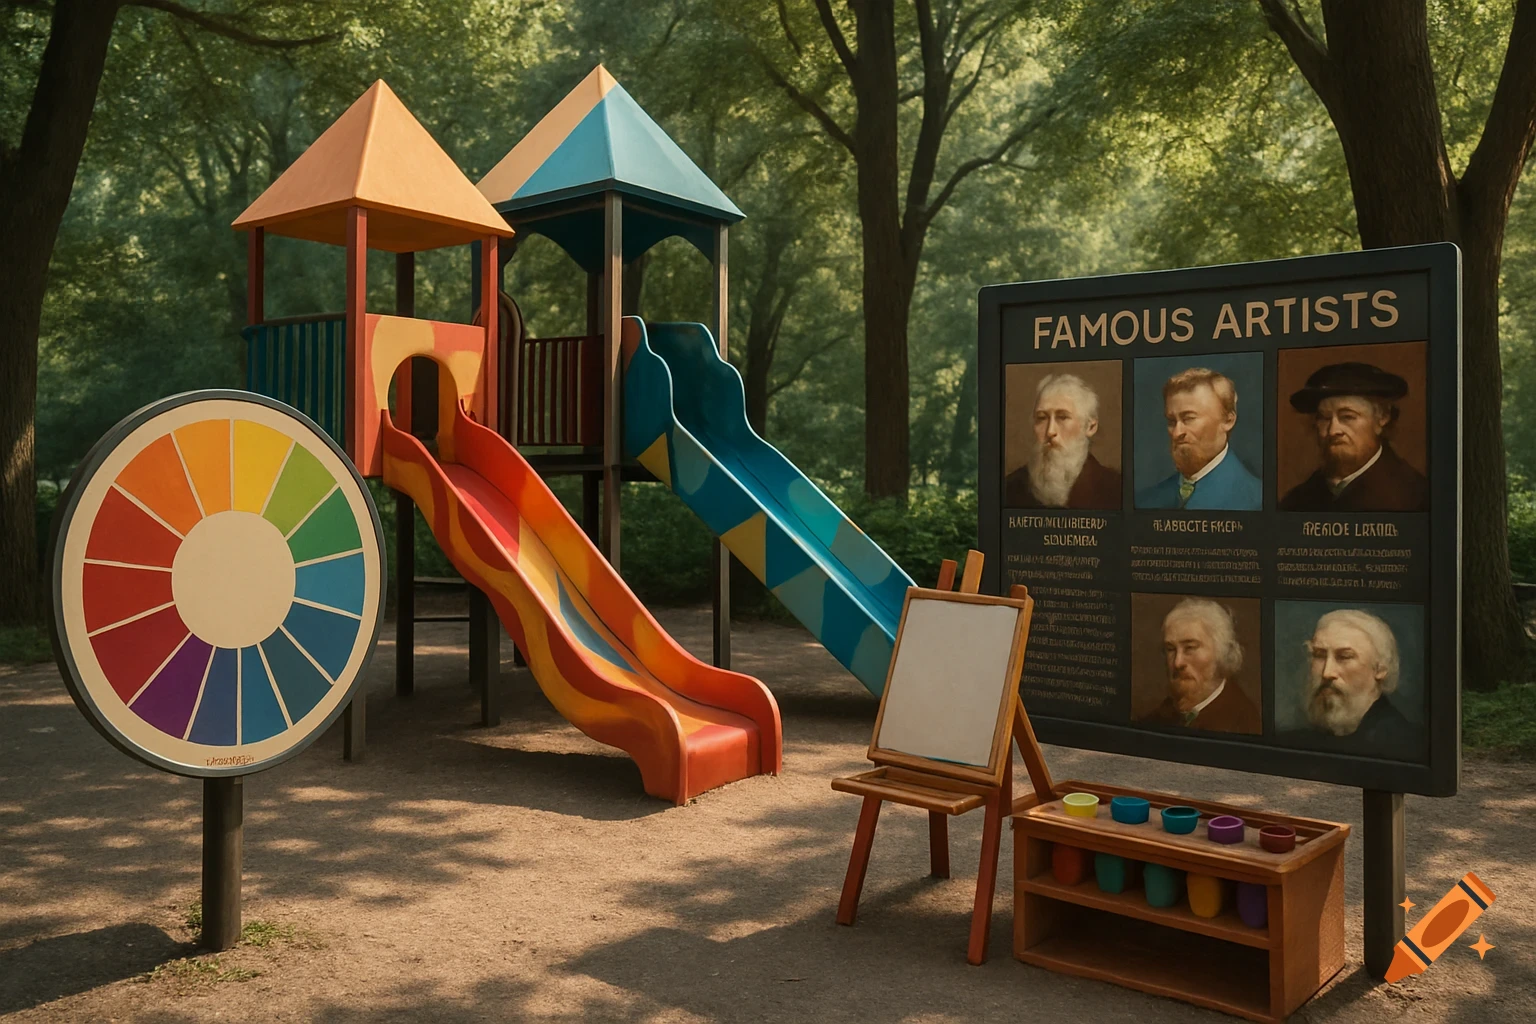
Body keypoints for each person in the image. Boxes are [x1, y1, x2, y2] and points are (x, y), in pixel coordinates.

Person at [1278, 362, 1429, 512]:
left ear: (1382, 417)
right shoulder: (1296, 501)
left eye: (1347, 417)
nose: (1333, 431)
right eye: (1324, 418)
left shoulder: (1415, 496)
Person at [1136, 368, 1262, 510]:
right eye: (1171, 422)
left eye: (1189, 418)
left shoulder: (1256, 500)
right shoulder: (1146, 501)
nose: (1177, 433)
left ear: (1228, 420)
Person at [1298, 609, 1419, 755]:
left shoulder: (1405, 743)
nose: (1327, 673)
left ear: (1380, 669)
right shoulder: (1298, 741)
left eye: (1345, 656)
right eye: (1319, 655)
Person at [1138, 598, 1261, 734]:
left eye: (1190, 648)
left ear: (1222, 652)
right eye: (1170, 649)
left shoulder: (1245, 723)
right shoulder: (1154, 720)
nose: (1177, 663)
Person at [1005, 372, 1122, 508]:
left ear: (1090, 427)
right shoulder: (1011, 489)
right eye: (1042, 418)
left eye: (1063, 417)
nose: (1050, 431)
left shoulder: (1115, 489)